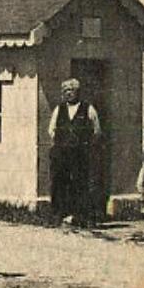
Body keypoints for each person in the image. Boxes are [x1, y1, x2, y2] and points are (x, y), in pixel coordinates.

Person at [48, 78, 102, 228]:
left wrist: (84, 144)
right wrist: (62, 142)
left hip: (81, 154)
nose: (69, 93)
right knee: (60, 183)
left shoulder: (88, 109)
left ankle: (81, 216)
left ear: (78, 92)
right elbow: (51, 130)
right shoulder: (59, 109)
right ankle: (59, 214)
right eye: (66, 91)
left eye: (72, 90)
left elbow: (96, 131)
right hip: (61, 153)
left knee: (80, 184)